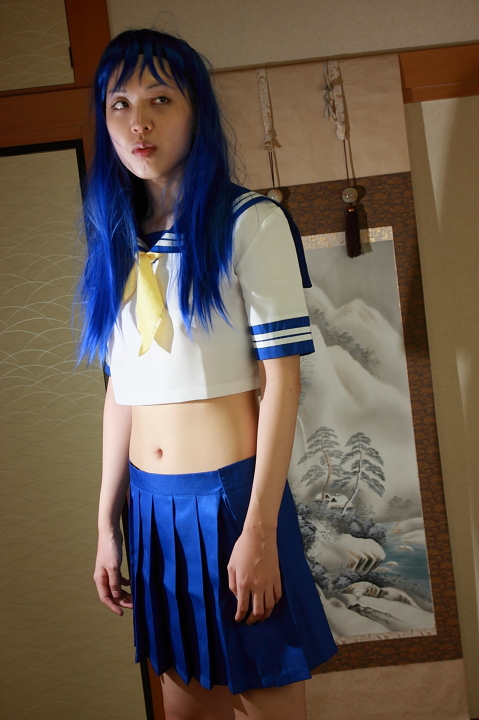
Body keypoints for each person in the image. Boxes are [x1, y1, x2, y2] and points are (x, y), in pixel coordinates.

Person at [77, 28, 336, 720]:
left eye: (160, 99)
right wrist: (106, 524)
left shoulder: (250, 223)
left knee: (266, 700)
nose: (138, 122)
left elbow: (282, 384)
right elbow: (121, 393)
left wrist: (258, 530)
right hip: (149, 509)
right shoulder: (113, 238)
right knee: (186, 708)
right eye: (120, 104)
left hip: (231, 502)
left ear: (196, 111)